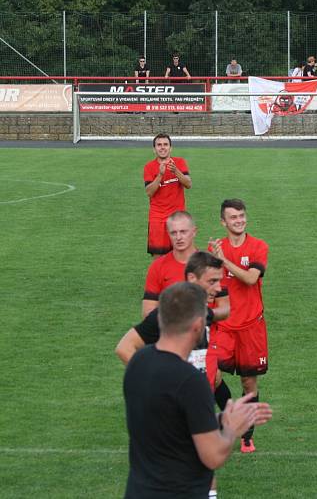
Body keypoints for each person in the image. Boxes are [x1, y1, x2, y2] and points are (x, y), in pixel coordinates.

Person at [123, 282, 272, 499]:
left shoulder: (138, 362)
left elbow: (172, 424)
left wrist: (221, 418)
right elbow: (212, 456)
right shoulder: (191, 380)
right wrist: (230, 429)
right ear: (197, 326)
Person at [208, 198, 270, 452]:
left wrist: (223, 262)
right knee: (211, 377)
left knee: (249, 383)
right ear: (224, 222)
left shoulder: (258, 247)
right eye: (233, 217)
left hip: (251, 325)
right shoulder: (215, 248)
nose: (239, 220)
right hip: (222, 325)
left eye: (242, 216)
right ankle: (231, 414)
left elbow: (250, 278)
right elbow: (209, 282)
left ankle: (247, 436)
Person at [142, 211, 200, 319]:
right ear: (168, 234)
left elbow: (224, 307)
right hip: (170, 333)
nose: (178, 237)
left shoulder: (208, 263)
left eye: (183, 232)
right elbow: (147, 312)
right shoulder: (157, 266)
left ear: (194, 231)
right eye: (174, 233)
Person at [144, 133, 192, 256]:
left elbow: (188, 184)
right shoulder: (149, 167)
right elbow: (149, 192)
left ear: (171, 148)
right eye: (159, 145)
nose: (162, 147)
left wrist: (175, 171)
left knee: (181, 256)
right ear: (154, 149)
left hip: (178, 217)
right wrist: (160, 175)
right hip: (157, 219)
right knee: (159, 258)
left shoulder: (180, 163)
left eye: (165, 144)